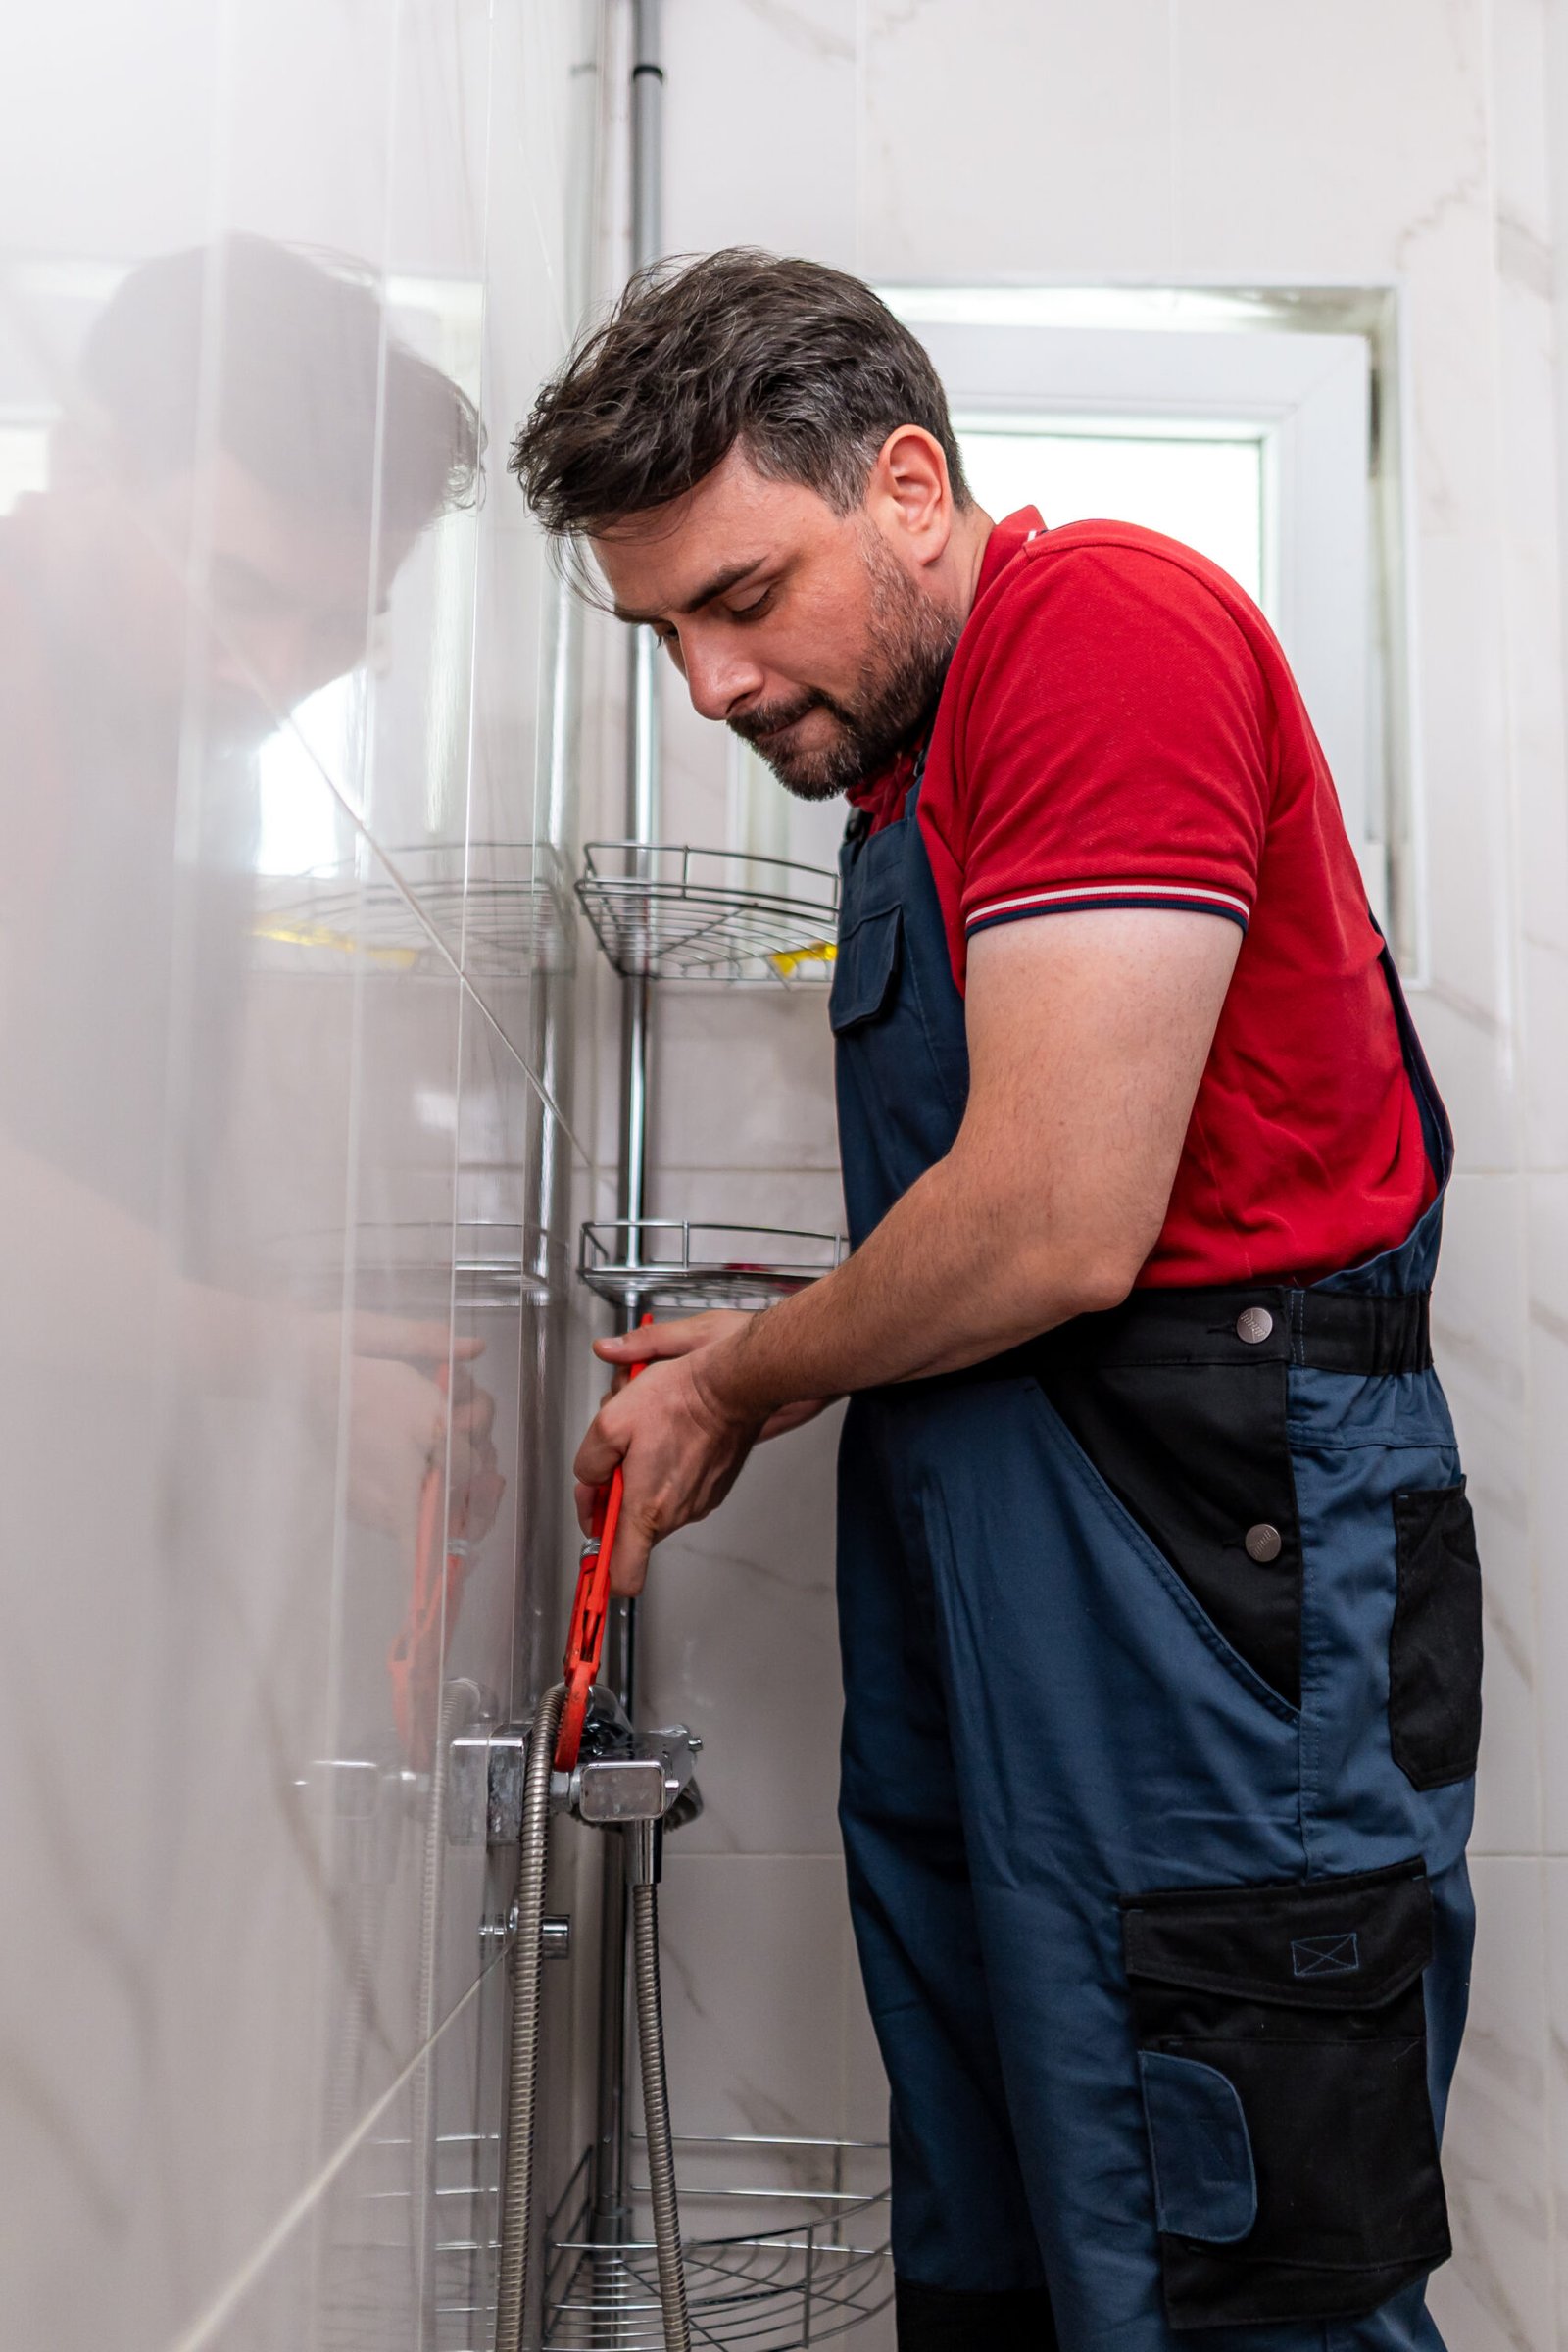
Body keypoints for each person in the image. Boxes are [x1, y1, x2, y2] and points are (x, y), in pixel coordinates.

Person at [514, 250, 1483, 2350]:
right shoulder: (905, 777)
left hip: (1211, 1570)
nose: (705, 686)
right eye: (659, 630)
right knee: (1021, 2237)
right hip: (1021, 1557)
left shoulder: (1099, 633)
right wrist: (777, 1346)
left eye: (743, 597)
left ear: (906, 484)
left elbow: (1050, 1221)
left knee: (1230, 2275)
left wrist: (741, 1386)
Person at [0, 234, 502, 1552]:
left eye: (342, 627)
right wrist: (277, 1356)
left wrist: (317, 1367)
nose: (278, 675)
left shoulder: (173, 728)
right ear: (86, 466)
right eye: (239, 591)